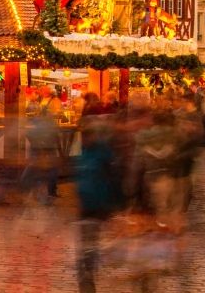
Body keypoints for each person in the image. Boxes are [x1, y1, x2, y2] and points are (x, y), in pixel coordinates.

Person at [75, 117, 124, 293]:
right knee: (87, 241)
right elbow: (80, 175)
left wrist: (116, 202)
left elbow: (114, 177)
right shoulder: (83, 152)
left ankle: (89, 269)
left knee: (92, 240)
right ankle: (87, 271)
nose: (84, 140)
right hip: (86, 205)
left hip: (99, 203)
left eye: (86, 136)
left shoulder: (103, 154)